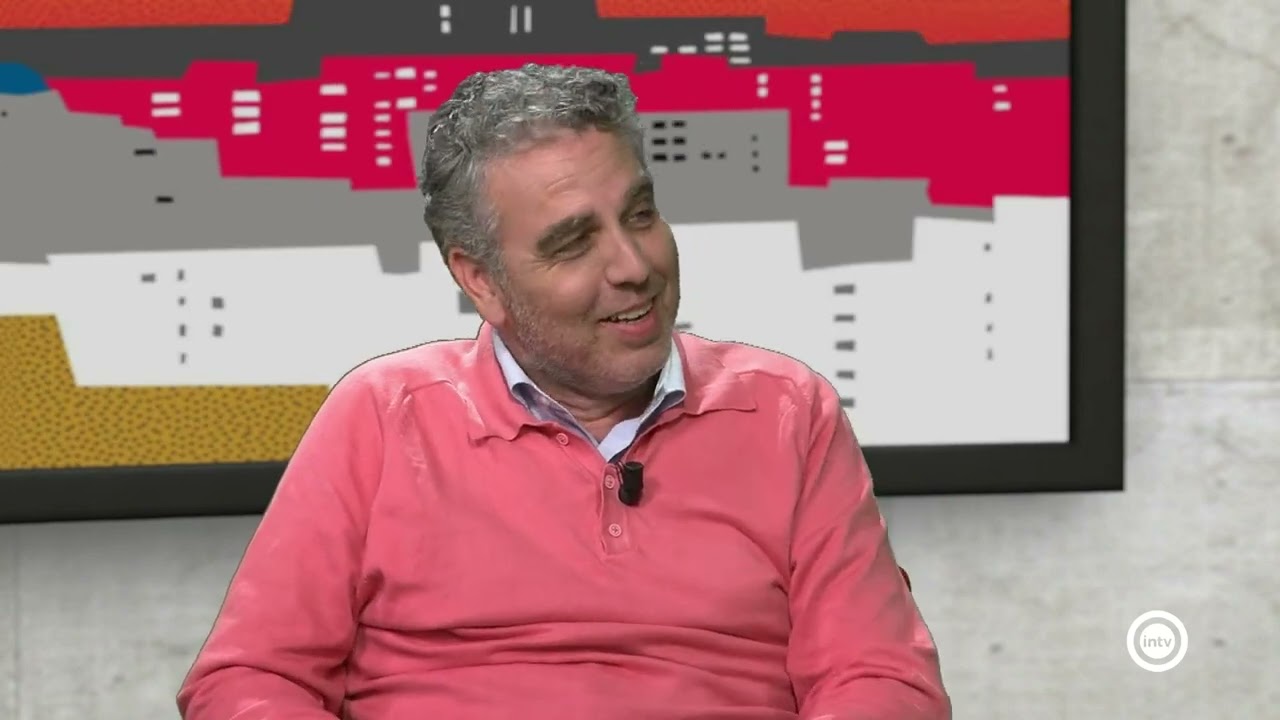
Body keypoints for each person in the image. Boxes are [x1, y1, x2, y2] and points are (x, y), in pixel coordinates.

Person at [176, 63, 951, 720]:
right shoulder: (383, 416)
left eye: (640, 215)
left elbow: (880, 676)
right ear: (480, 279)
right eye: (574, 243)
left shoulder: (786, 411)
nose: (634, 267)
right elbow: (248, 679)